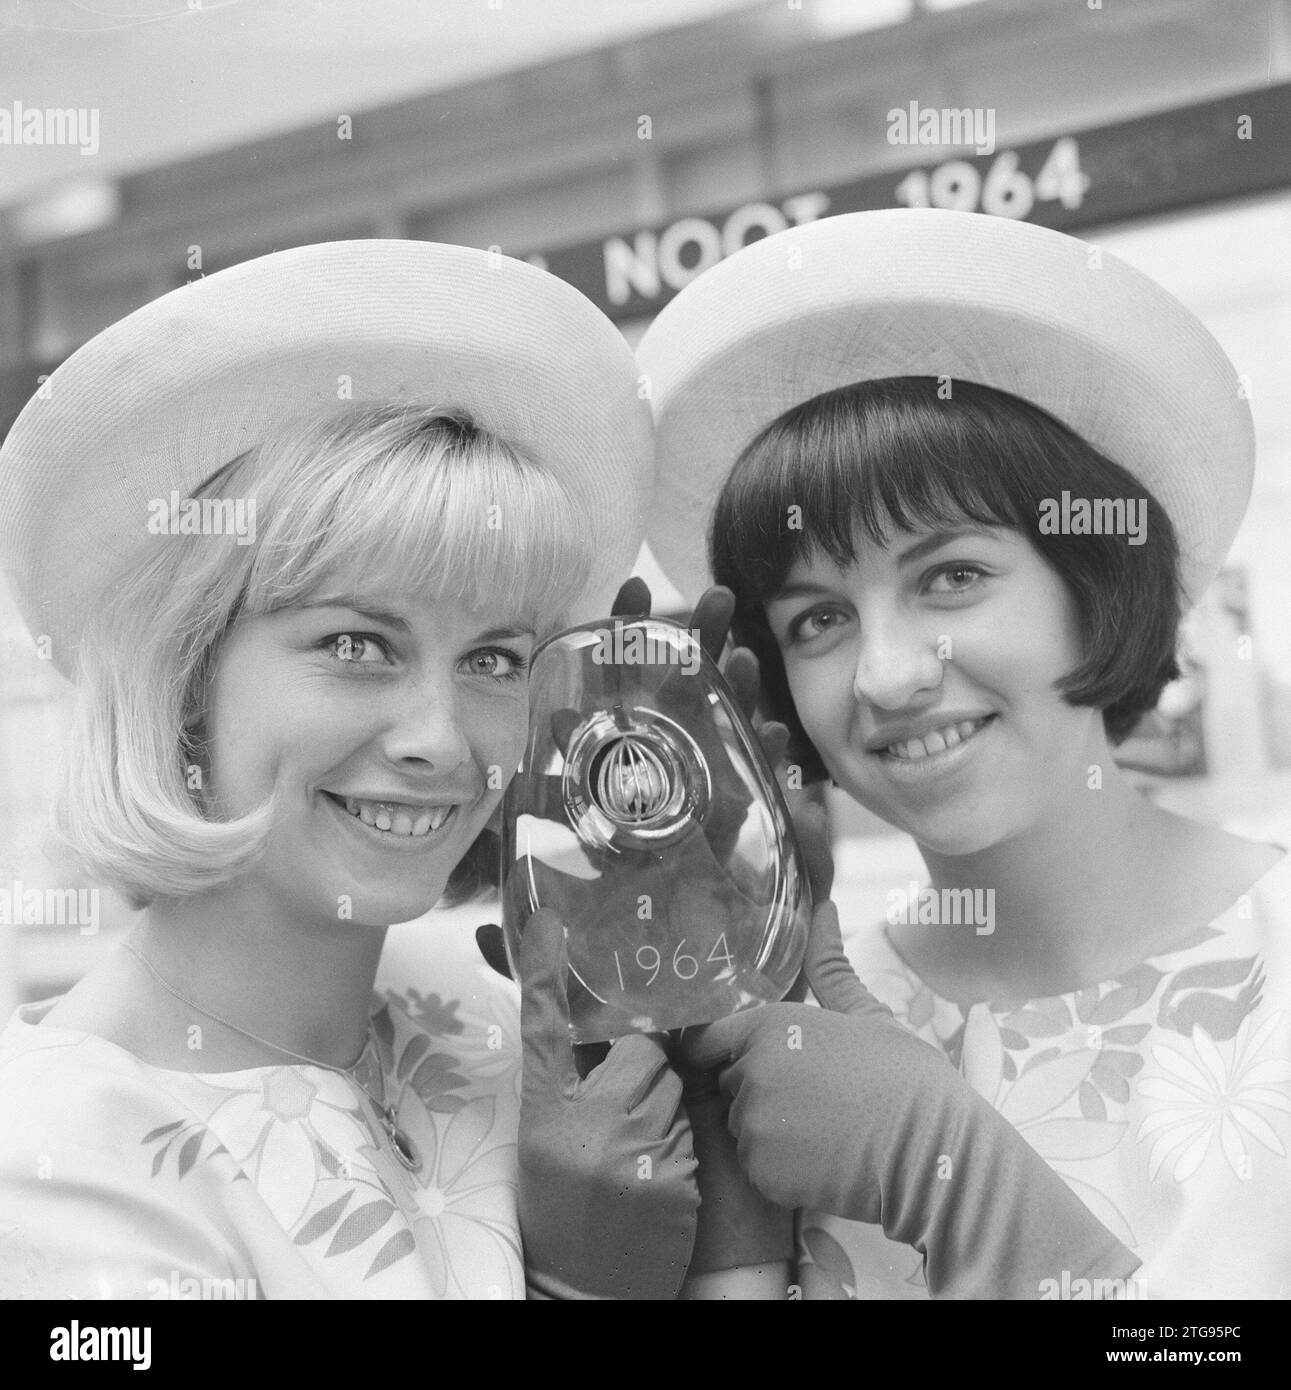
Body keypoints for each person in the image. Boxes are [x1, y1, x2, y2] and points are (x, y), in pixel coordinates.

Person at [0, 239, 687, 1299]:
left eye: (496, 658)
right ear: (184, 681)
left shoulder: (502, 1026)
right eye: (356, 644)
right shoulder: (56, 1162)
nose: (441, 739)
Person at [636, 208, 1290, 1299]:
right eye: (816, 619)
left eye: (950, 577)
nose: (887, 673)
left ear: (1096, 584)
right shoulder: (803, 1033)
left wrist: (958, 1177)